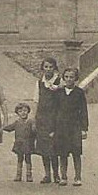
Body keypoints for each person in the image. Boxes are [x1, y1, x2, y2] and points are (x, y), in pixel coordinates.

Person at [54, 67, 88, 187]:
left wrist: (84, 129)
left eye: (71, 77)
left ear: (76, 79)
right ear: (63, 78)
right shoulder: (59, 92)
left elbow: (83, 111)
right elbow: (55, 110)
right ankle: (63, 177)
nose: (69, 79)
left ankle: (77, 177)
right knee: (62, 153)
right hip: (62, 127)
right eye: (66, 77)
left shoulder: (79, 93)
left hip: (75, 127)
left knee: (76, 152)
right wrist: (53, 129)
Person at [31, 56, 62, 184]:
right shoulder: (39, 82)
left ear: (55, 68)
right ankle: (47, 174)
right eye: (46, 67)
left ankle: (56, 174)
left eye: (51, 67)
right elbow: (36, 101)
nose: (48, 70)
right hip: (42, 118)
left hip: (54, 118)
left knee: (53, 147)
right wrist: (34, 119)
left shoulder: (59, 82)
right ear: (42, 69)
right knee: (44, 147)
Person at [3, 103, 36, 182]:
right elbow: (10, 128)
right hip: (19, 144)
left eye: (25, 110)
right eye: (20, 111)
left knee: (28, 159)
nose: (23, 113)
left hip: (28, 143)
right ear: (17, 113)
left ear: (28, 111)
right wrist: (2, 128)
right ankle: (18, 175)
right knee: (19, 159)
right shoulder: (17, 122)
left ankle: (29, 175)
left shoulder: (31, 122)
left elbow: (35, 132)